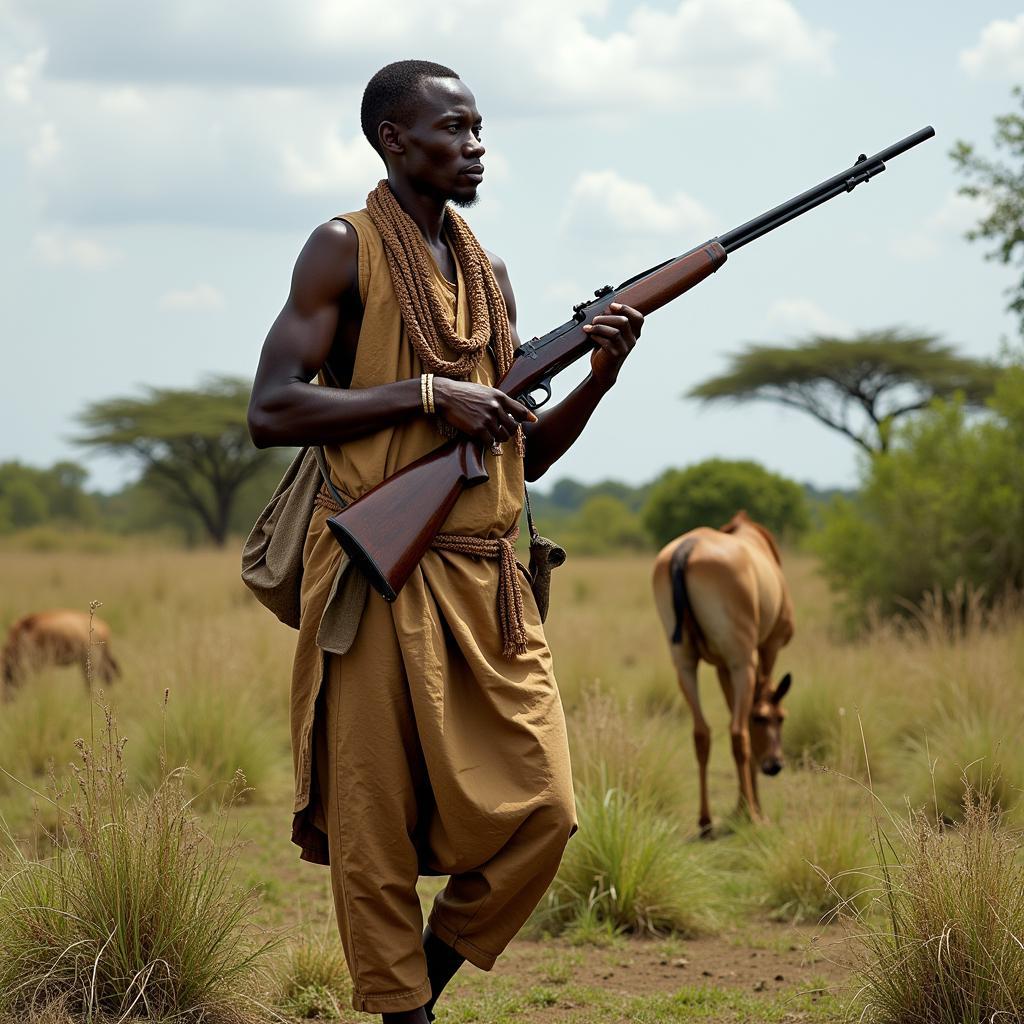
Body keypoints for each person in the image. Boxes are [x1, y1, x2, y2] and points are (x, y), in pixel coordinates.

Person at [247, 59, 643, 1023]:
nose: (475, 147)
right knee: (372, 825)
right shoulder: (340, 247)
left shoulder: (489, 270)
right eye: (454, 129)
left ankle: (422, 975)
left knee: (546, 810)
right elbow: (271, 408)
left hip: (486, 579)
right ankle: (404, 1013)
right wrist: (430, 393)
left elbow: (523, 456)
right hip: (377, 577)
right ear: (393, 139)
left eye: (478, 129)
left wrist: (596, 378)